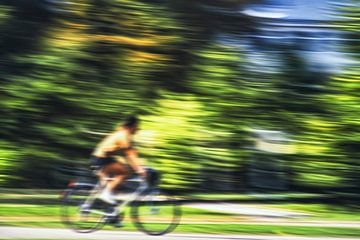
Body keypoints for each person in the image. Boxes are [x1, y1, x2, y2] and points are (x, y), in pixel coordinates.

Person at [90, 115, 146, 205]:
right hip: (101, 159)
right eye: (137, 126)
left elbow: (130, 154)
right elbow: (130, 154)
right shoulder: (123, 136)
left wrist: (138, 167)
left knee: (117, 175)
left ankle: (107, 202)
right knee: (125, 172)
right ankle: (106, 193)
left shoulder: (123, 134)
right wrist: (139, 169)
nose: (138, 129)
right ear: (133, 126)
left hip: (103, 158)